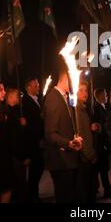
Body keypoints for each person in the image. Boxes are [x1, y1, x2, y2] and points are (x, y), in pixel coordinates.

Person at [43, 68, 83, 203]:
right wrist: (68, 143)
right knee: (65, 197)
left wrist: (75, 138)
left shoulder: (64, 96)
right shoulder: (53, 98)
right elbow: (50, 133)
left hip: (67, 159)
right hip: (60, 160)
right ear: (65, 80)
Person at [22, 78, 45, 202]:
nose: (38, 87)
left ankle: (34, 195)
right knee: (34, 171)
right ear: (28, 88)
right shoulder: (25, 102)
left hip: (39, 140)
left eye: (38, 85)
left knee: (38, 169)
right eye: (35, 85)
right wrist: (38, 139)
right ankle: (31, 197)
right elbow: (29, 124)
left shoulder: (37, 100)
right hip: (33, 142)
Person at [92, 88, 111, 199]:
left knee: (102, 169)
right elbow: (98, 126)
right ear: (98, 96)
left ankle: (98, 189)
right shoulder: (96, 109)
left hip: (104, 144)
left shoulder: (104, 107)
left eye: (106, 94)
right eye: (104, 94)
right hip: (100, 145)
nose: (106, 96)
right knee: (102, 169)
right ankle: (105, 191)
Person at [76, 82, 98, 203]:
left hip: (89, 155)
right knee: (86, 192)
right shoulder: (77, 111)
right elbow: (80, 135)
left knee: (90, 189)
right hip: (85, 157)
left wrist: (94, 127)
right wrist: (89, 155)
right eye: (81, 90)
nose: (85, 93)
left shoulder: (85, 108)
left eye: (86, 90)